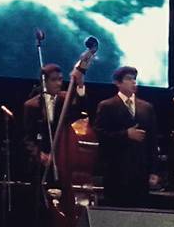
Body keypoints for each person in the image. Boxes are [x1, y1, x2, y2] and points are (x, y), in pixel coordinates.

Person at [94, 66, 158, 208]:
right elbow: (101, 135)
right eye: (129, 79)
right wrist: (126, 134)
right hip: (116, 170)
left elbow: (152, 141)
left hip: (140, 171)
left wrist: (154, 170)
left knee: (139, 213)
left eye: (134, 79)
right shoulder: (107, 106)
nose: (134, 82)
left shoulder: (146, 107)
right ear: (118, 83)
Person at [23, 63, 86, 179]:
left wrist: (80, 83)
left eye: (60, 79)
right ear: (44, 82)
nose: (59, 83)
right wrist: (39, 154)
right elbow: (28, 138)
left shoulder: (66, 99)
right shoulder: (31, 105)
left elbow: (80, 109)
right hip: (41, 164)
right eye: (54, 80)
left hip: (65, 156)